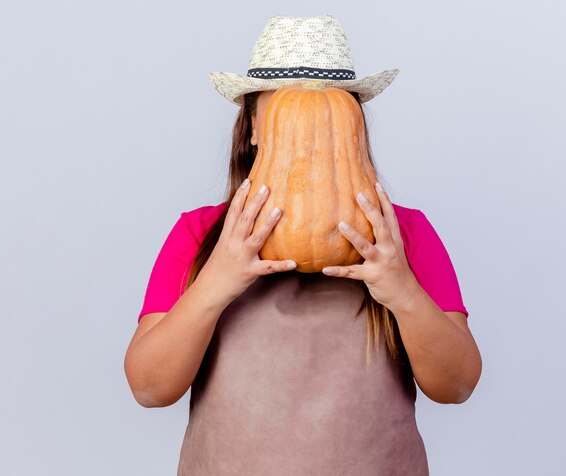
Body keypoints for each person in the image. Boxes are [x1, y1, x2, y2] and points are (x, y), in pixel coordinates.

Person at [124, 14, 482, 475]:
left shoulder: (405, 234)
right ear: (252, 127)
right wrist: (216, 282)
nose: (310, 130)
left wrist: (401, 290)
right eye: (288, 106)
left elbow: (456, 387)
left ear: (352, 128)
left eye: (326, 108)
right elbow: (150, 390)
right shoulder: (198, 234)